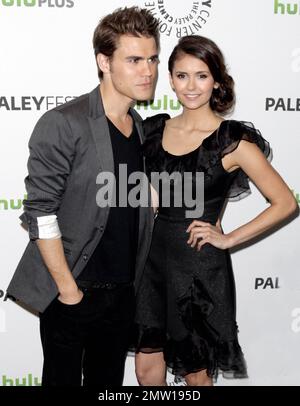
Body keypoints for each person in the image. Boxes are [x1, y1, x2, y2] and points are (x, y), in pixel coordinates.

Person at [7, 6, 160, 386]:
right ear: (104, 61)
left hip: (122, 294)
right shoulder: (65, 122)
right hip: (73, 291)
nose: (148, 70)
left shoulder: (141, 129)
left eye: (153, 58)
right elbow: (40, 212)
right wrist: (68, 290)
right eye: (135, 59)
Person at [134, 35, 298, 386]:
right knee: (147, 370)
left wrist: (228, 239)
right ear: (171, 79)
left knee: (196, 373)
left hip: (197, 266)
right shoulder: (152, 130)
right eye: (182, 76)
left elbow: (286, 202)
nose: (191, 86)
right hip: (150, 262)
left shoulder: (231, 140)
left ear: (217, 81)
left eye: (202, 75)